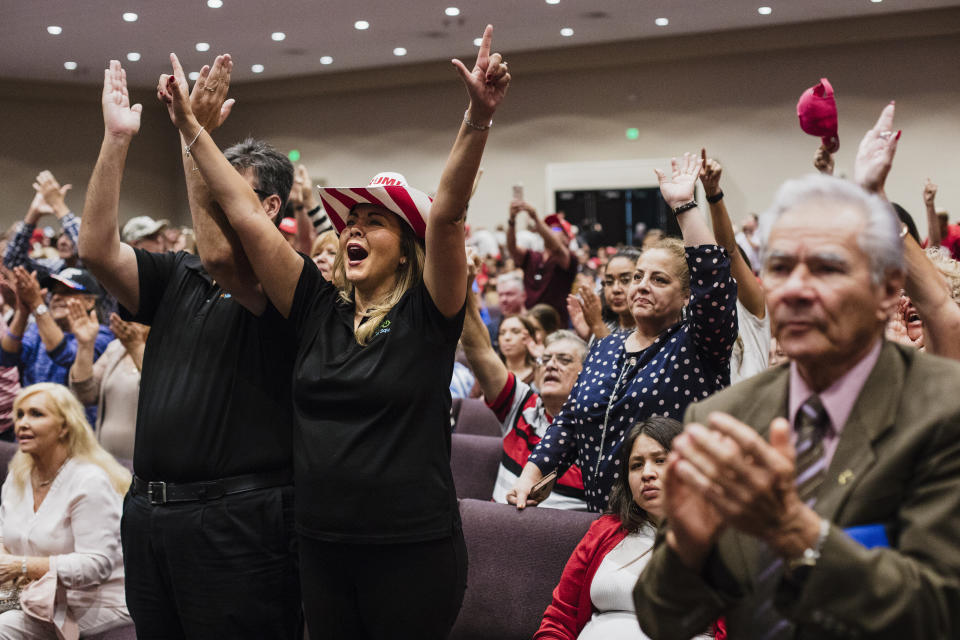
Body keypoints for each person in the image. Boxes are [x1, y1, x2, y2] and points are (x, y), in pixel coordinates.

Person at [156, 28, 509, 637]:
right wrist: (193, 131)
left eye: (376, 223)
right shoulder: (317, 308)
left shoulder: (429, 313)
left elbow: (447, 213)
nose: (354, 229)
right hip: (320, 543)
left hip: (411, 547)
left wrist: (477, 116)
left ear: (406, 251)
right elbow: (244, 214)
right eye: (351, 220)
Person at [634, 168, 960, 638]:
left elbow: (938, 613)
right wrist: (687, 544)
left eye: (827, 267)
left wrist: (794, 532)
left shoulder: (943, 409)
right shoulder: (723, 417)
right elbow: (663, 619)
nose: (796, 290)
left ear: (888, 289)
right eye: (782, 268)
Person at [80, 57, 300, 638]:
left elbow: (227, 258)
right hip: (151, 514)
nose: (210, 187)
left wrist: (189, 136)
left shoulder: (289, 282)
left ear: (270, 208)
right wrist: (117, 140)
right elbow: (97, 252)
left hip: (235, 523)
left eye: (223, 180)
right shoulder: (179, 272)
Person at [510, 152, 738, 513]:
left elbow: (714, 282)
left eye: (659, 280)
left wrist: (684, 206)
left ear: (685, 296)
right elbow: (570, 422)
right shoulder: (607, 346)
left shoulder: (696, 344)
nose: (642, 286)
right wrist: (529, 476)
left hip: (675, 520)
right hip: (602, 519)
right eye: (638, 277)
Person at [536, 417, 708, 639]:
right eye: (636, 465)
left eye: (660, 460)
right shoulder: (605, 531)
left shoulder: (723, 543)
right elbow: (559, 620)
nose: (647, 473)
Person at [0, 383, 131, 638]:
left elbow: (96, 565)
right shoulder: (19, 475)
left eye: (36, 414)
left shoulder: (89, 481)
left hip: (92, 601)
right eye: (19, 414)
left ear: (64, 426)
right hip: (33, 593)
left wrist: (20, 566)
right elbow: (4, 537)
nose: (22, 423)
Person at [461, 251, 587, 509]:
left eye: (563, 360)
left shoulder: (597, 433)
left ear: (586, 375)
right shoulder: (521, 405)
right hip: (498, 534)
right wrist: (463, 286)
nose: (551, 364)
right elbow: (479, 350)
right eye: (545, 359)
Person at [0, 267, 113, 426]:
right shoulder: (37, 330)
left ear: (89, 301)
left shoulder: (103, 336)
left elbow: (66, 355)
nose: (57, 297)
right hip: (32, 425)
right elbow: (7, 357)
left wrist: (37, 304)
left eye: (67, 292)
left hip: (73, 432)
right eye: (54, 292)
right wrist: (23, 311)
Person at [699, 149, 770, 383]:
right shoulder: (700, 317)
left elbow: (729, 250)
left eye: (722, 270)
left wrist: (713, 195)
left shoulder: (749, 310)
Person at [68, 300, 146, 460]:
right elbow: (85, 394)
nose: (132, 317)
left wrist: (137, 347)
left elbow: (162, 396)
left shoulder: (172, 349)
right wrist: (85, 345)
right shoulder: (116, 347)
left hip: (146, 467)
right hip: (107, 460)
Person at [508, 201, 578, 324]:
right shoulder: (533, 256)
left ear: (567, 238)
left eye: (556, 228)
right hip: (530, 322)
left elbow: (556, 247)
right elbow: (512, 248)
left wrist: (535, 217)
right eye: (548, 227)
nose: (550, 230)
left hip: (556, 325)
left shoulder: (569, 258)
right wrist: (512, 220)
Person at [4, 171, 80, 279]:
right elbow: (13, 263)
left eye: (69, 236)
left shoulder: (99, 270)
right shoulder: (56, 268)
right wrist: (33, 214)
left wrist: (59, 206)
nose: (62, 242)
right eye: (61, 235)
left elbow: (89, 254)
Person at [568, 251, 638, 342]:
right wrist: (589, 337)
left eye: (625, 280)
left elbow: (618, 356)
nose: (615, 289)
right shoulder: (607, 322)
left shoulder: (653, 331)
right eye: (609, 282)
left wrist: (597, 327)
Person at [487, 271, 526, 350]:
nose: (503, 299)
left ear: (523, 296)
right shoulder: (491, 328)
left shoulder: (535, 322)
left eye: (509, 294)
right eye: (500, 295)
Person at [499, 314, 539, 385]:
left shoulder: (539, 372)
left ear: (529, 337)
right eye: (502, 333)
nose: (507, 337)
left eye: (515, 332)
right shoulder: (490, 372)